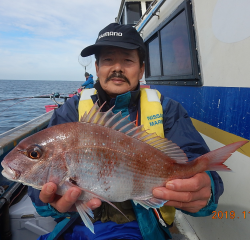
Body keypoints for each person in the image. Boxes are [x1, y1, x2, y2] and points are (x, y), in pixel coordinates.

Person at [28, 23, 223, 240]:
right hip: (77, 225)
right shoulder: (71, 112)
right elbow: (39, 185)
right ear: (97, 67)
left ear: (141, 69)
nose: (117, 68)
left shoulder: (167, 110)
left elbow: (195, 162)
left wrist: (207, 189)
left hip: (145, 227)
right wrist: (52, 203)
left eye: (128, 60)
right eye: (108, 60)